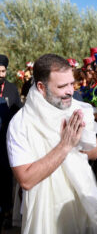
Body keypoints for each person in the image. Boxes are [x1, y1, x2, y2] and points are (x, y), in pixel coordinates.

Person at [6, 54, 97, 234]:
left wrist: (80, 142)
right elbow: (26, 180)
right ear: (41, 87)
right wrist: (65, 146)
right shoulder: (21, 124)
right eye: (62, 86)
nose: (70, 91)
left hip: (83, 206)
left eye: (71, 83)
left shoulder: (77, 109)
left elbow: (95, 152)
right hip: (47, 215)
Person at [0, 54, 22, 229]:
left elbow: (18, 112)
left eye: (3, 71)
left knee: (5, 177)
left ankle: (6, 213)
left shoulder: (12, 88)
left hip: (5, 140)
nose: (0, 74)